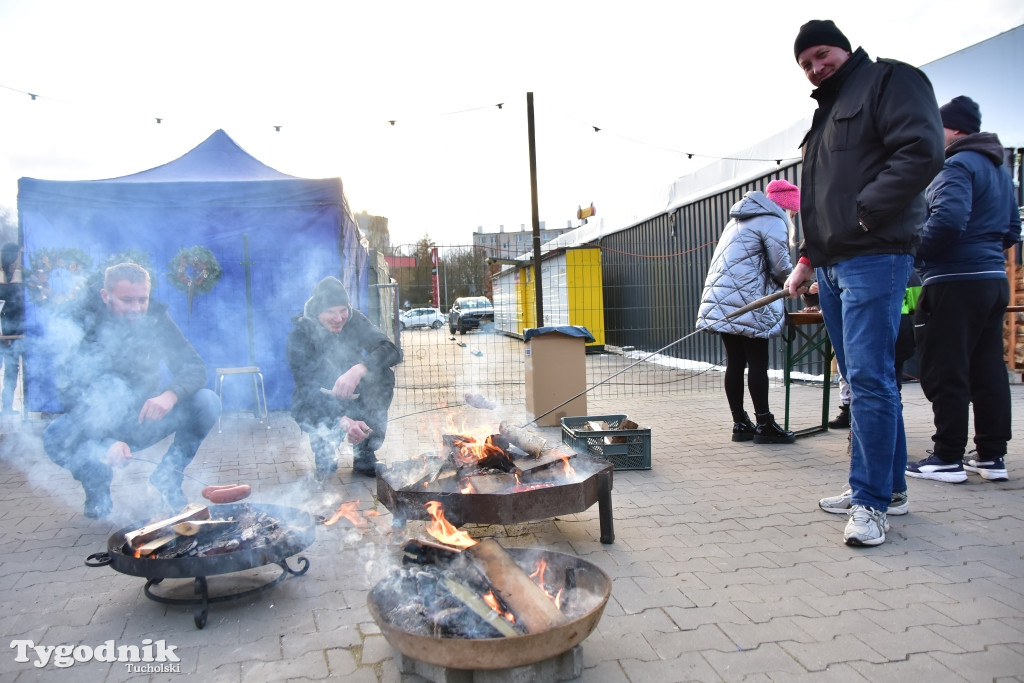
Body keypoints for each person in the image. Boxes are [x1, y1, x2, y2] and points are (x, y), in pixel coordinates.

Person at [784, 20, 944, 546]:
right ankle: (889, 488)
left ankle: (871, 501)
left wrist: (866, 214)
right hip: (831, 265)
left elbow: (922, 150)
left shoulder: (888, 81)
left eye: (821, 54)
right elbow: (820, 197)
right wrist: (808, 258)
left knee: (871, 379)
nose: (815, 67)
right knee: (863, 380)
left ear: (843, 48)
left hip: (875, 255)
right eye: (805, 63)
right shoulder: (825, 112)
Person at [42, 262, 221, 519]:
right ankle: (96, 483)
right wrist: (105, 442)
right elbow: (70, 394)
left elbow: (193, 366)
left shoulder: (157, 319)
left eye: (142, 300)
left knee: (207, 401)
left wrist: (169, 395)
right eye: (127, 300)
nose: (136, 309)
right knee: (55, 435)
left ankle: (168, 477)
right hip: (97, 427)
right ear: (106, 296)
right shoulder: (81, 323)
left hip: (143, 419)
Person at [906, 96, 1021, 484]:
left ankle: (947, 457)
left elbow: (948, 221)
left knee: (945, 367)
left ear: (953, 130)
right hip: (992, 281)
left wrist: (916, 255)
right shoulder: (999, 170)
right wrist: (984, 254)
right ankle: (991, 455)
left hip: (953, 282)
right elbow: (1012, 231)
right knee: (988, 370)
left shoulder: (954, 165)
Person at [696, 179, 799, 445]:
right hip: (749, 301)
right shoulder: (773, 220)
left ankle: (740, 423)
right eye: (793, 211)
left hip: (723, 300)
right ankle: (764, 425)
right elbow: (780, 269)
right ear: (786, 207)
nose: (793, 216)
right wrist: (806, 284)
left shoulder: (738, 219)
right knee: (757, 363)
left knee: (735, 362)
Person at [287, 276, 401, 480]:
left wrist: (360, 369)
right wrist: (344, 421)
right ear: (317, 311)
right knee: (307, 409)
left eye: (342, 310)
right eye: (330, 312)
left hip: (354, 395)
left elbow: (391, 350)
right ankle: (324, 448)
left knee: (382, 375)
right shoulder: (300, 336)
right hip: (319, 401)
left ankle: (365, 451)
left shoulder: (354, 320)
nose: (338, 318)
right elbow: (308, 390)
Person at [0, 243, 25, 414]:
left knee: (11, 371)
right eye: (18, 255)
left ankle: (7, 407)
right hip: (2, 332)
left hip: (15, 332)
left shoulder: (20, 277)